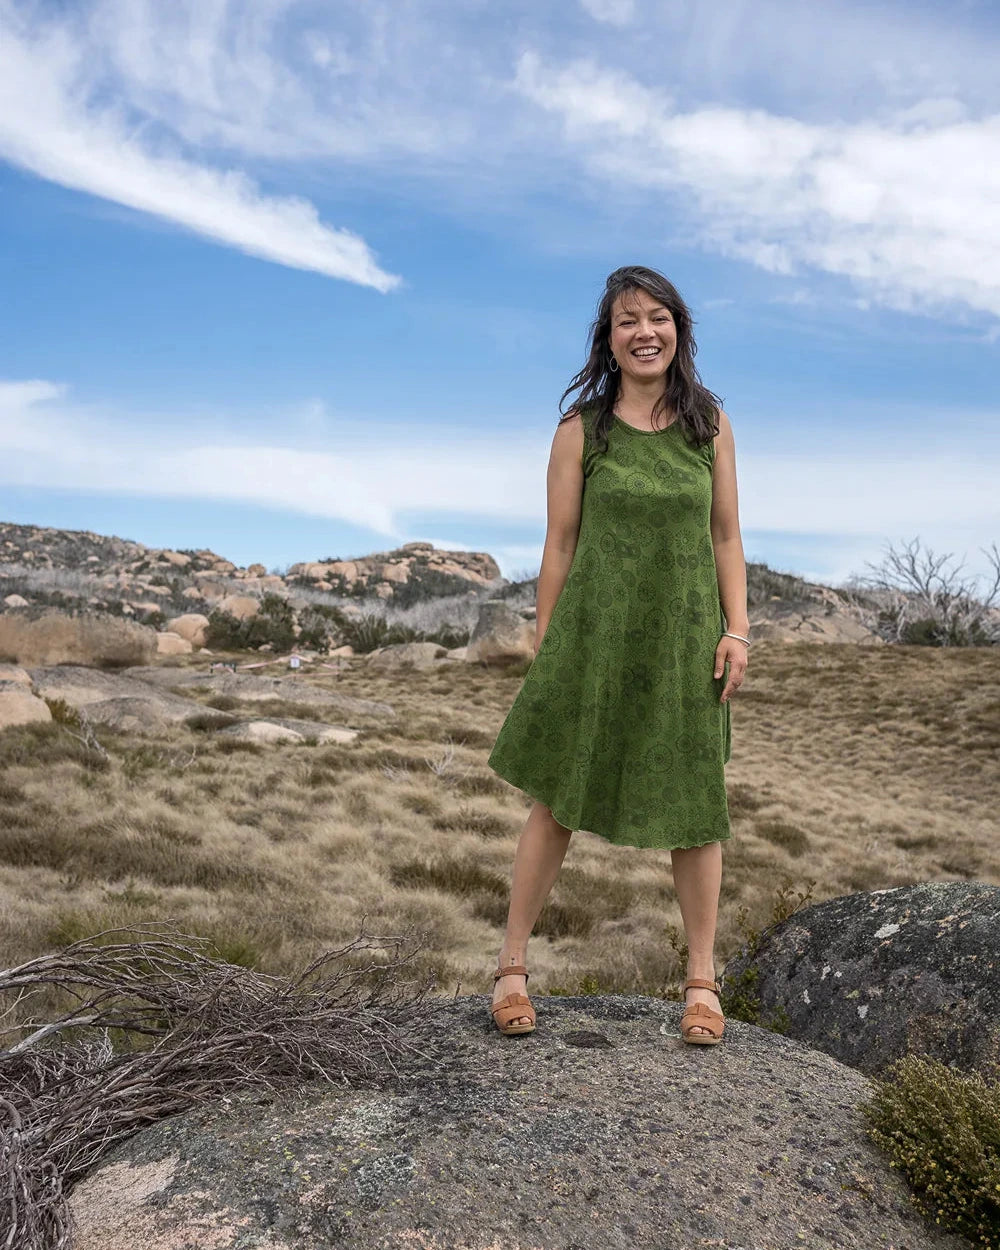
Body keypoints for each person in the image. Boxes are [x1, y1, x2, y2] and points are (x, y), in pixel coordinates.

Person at [486, 265, 749, 1044]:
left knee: (697, 809)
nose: (645, 331)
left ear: (679, 330)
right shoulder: (581, 430)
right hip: (593, 639)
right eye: (627, 319)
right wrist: (546, 642)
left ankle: (701, 982)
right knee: (557, 800)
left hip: (684, 643)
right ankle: (509, 967)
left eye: (658, 317)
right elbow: (559, 543)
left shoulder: (710, 423)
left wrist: (737, 629)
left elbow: (727, 535)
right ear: (608, 338)